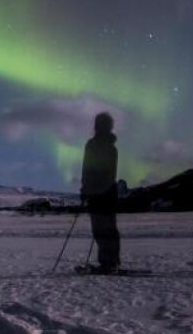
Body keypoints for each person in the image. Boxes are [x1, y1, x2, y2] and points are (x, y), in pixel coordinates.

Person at [80, 112, 120, 273]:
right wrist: (85, 189)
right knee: (99, 230)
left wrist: (90, 189)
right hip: (97, 194)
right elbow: (86, 169)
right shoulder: (92, 145)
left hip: (105, 193)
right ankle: (107, 262)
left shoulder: (110, 148)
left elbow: (109, 173)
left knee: (107, 229)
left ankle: (111, 262)